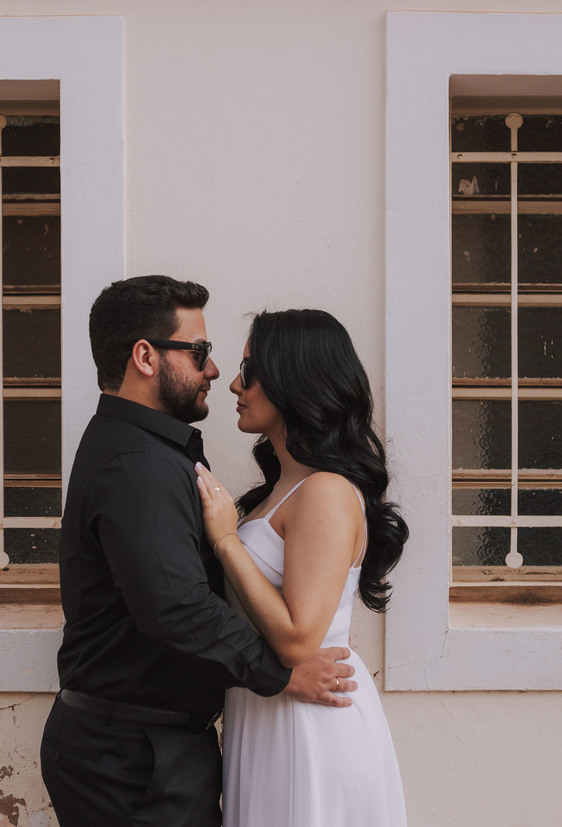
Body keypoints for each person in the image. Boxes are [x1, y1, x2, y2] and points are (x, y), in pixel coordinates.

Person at [41, 277, 359, 827]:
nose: (214, 372)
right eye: (199, 352)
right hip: (133, 758)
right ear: (146, 357)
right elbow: (176, 607)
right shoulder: (139, 465)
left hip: (152, 747)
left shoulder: (149, 451)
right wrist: (283, 676)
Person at [194, 308, 409, 827]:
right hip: (269, 713)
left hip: (310, 725)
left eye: (250, 371)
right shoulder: (283, 489)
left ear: (293, 379)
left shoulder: (326, 492)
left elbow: (296, 640)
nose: (234, 385)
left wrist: (225, 539)